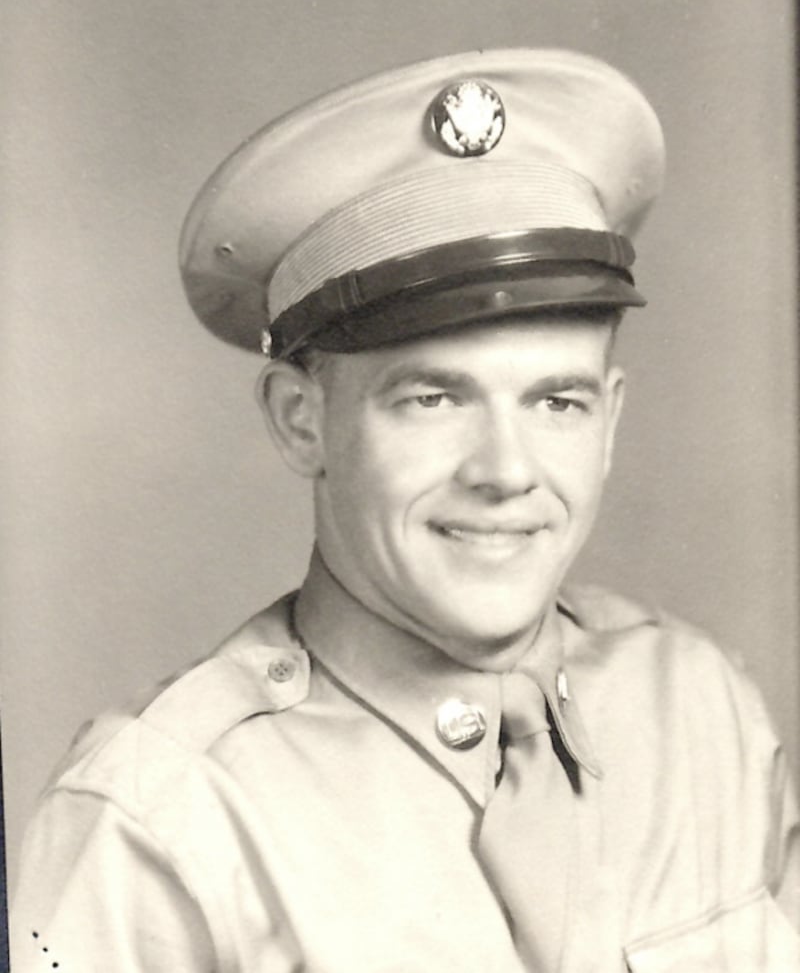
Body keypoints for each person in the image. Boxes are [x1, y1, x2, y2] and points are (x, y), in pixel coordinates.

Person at [10, 49, 800, 971]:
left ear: (611, 417)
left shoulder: (700, 707)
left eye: (557, 401)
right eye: (434, 398)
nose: (506, 471)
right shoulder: (160, 823)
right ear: (301, 420)